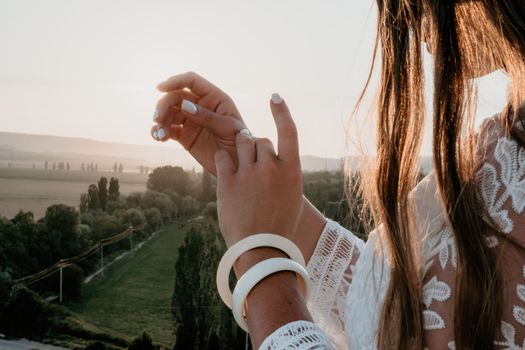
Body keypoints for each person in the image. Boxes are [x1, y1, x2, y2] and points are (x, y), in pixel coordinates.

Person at [150, 0, 525, 348]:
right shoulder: (505, 144)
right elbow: (397, 312)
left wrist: (262, 256)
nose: (404, 16)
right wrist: (271, 199)